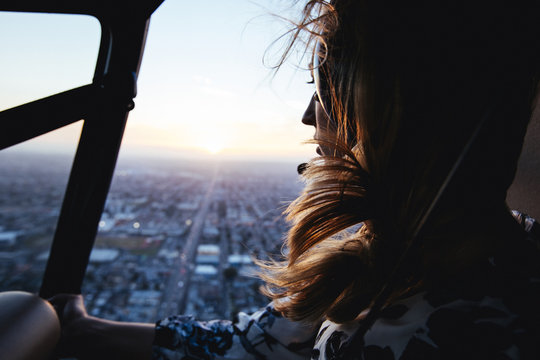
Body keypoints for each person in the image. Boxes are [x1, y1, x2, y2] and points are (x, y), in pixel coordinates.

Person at [50, 0, 540, 359]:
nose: (309, 116)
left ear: (403, 116)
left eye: (327, 89)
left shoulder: (464, 332)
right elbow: (253, 344)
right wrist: (84, 328)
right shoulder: (394, 257)